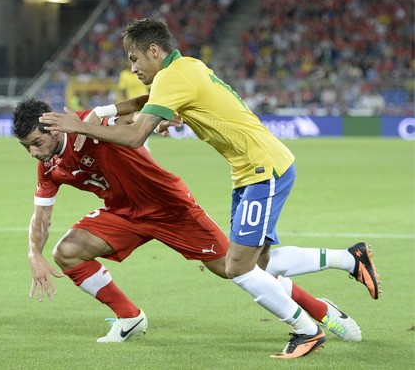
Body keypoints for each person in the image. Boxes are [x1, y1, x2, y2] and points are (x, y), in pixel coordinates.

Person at [38, 18, 380, 358]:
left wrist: (79, 124)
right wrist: (105, 110)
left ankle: (306, 330)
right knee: (257, 264)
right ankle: (349, 260)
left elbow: (133, 135)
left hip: (263, 168)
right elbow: (147, 102)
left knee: (237, 268)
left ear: (153, 51)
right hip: (249, 170)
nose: (132, 67)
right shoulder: (186, 68)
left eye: (134, 58)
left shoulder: (173, 77)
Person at [15, 97, 364, 349]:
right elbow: (41, 216)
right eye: (26, 146)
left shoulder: (91, 122)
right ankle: (129, 318)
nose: (33, 151)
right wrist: (34, 253)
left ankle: (321, 309)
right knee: (68, 252)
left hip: (172, 209)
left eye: (36, 142)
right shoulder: (48, 165)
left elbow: (141, 108)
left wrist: (159, 119)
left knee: (236, 268)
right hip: (124, 213)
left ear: (52, 126)